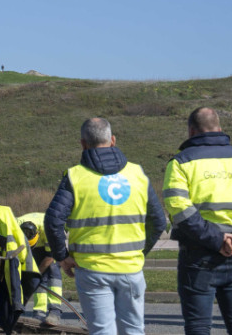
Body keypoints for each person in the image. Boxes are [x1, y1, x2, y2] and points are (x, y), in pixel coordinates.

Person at [44, 118, 167, 335]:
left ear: (83, 144)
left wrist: (62, 256)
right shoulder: (138, 174)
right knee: (134, 331)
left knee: (102, 331)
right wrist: (139, 251)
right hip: (130, 268)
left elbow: (53, 221)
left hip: (91, 269)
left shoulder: (75, 177)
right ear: (113, 140)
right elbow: (158, 222)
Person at [163, 108, 232, 335]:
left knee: (198, 327)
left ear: (191, 131)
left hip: (198, 255)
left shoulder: (180, 164)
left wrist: (217, 240)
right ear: (220, 128)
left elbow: (180, 210)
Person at [18, 212, 63, 327]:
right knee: (39, 277)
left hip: (50, 238)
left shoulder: (49, 228)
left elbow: (50, 256)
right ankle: (39, 312)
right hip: (37, 241)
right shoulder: (16, 225)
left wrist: (37, 273)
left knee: (53, 270)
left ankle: (55, 311)